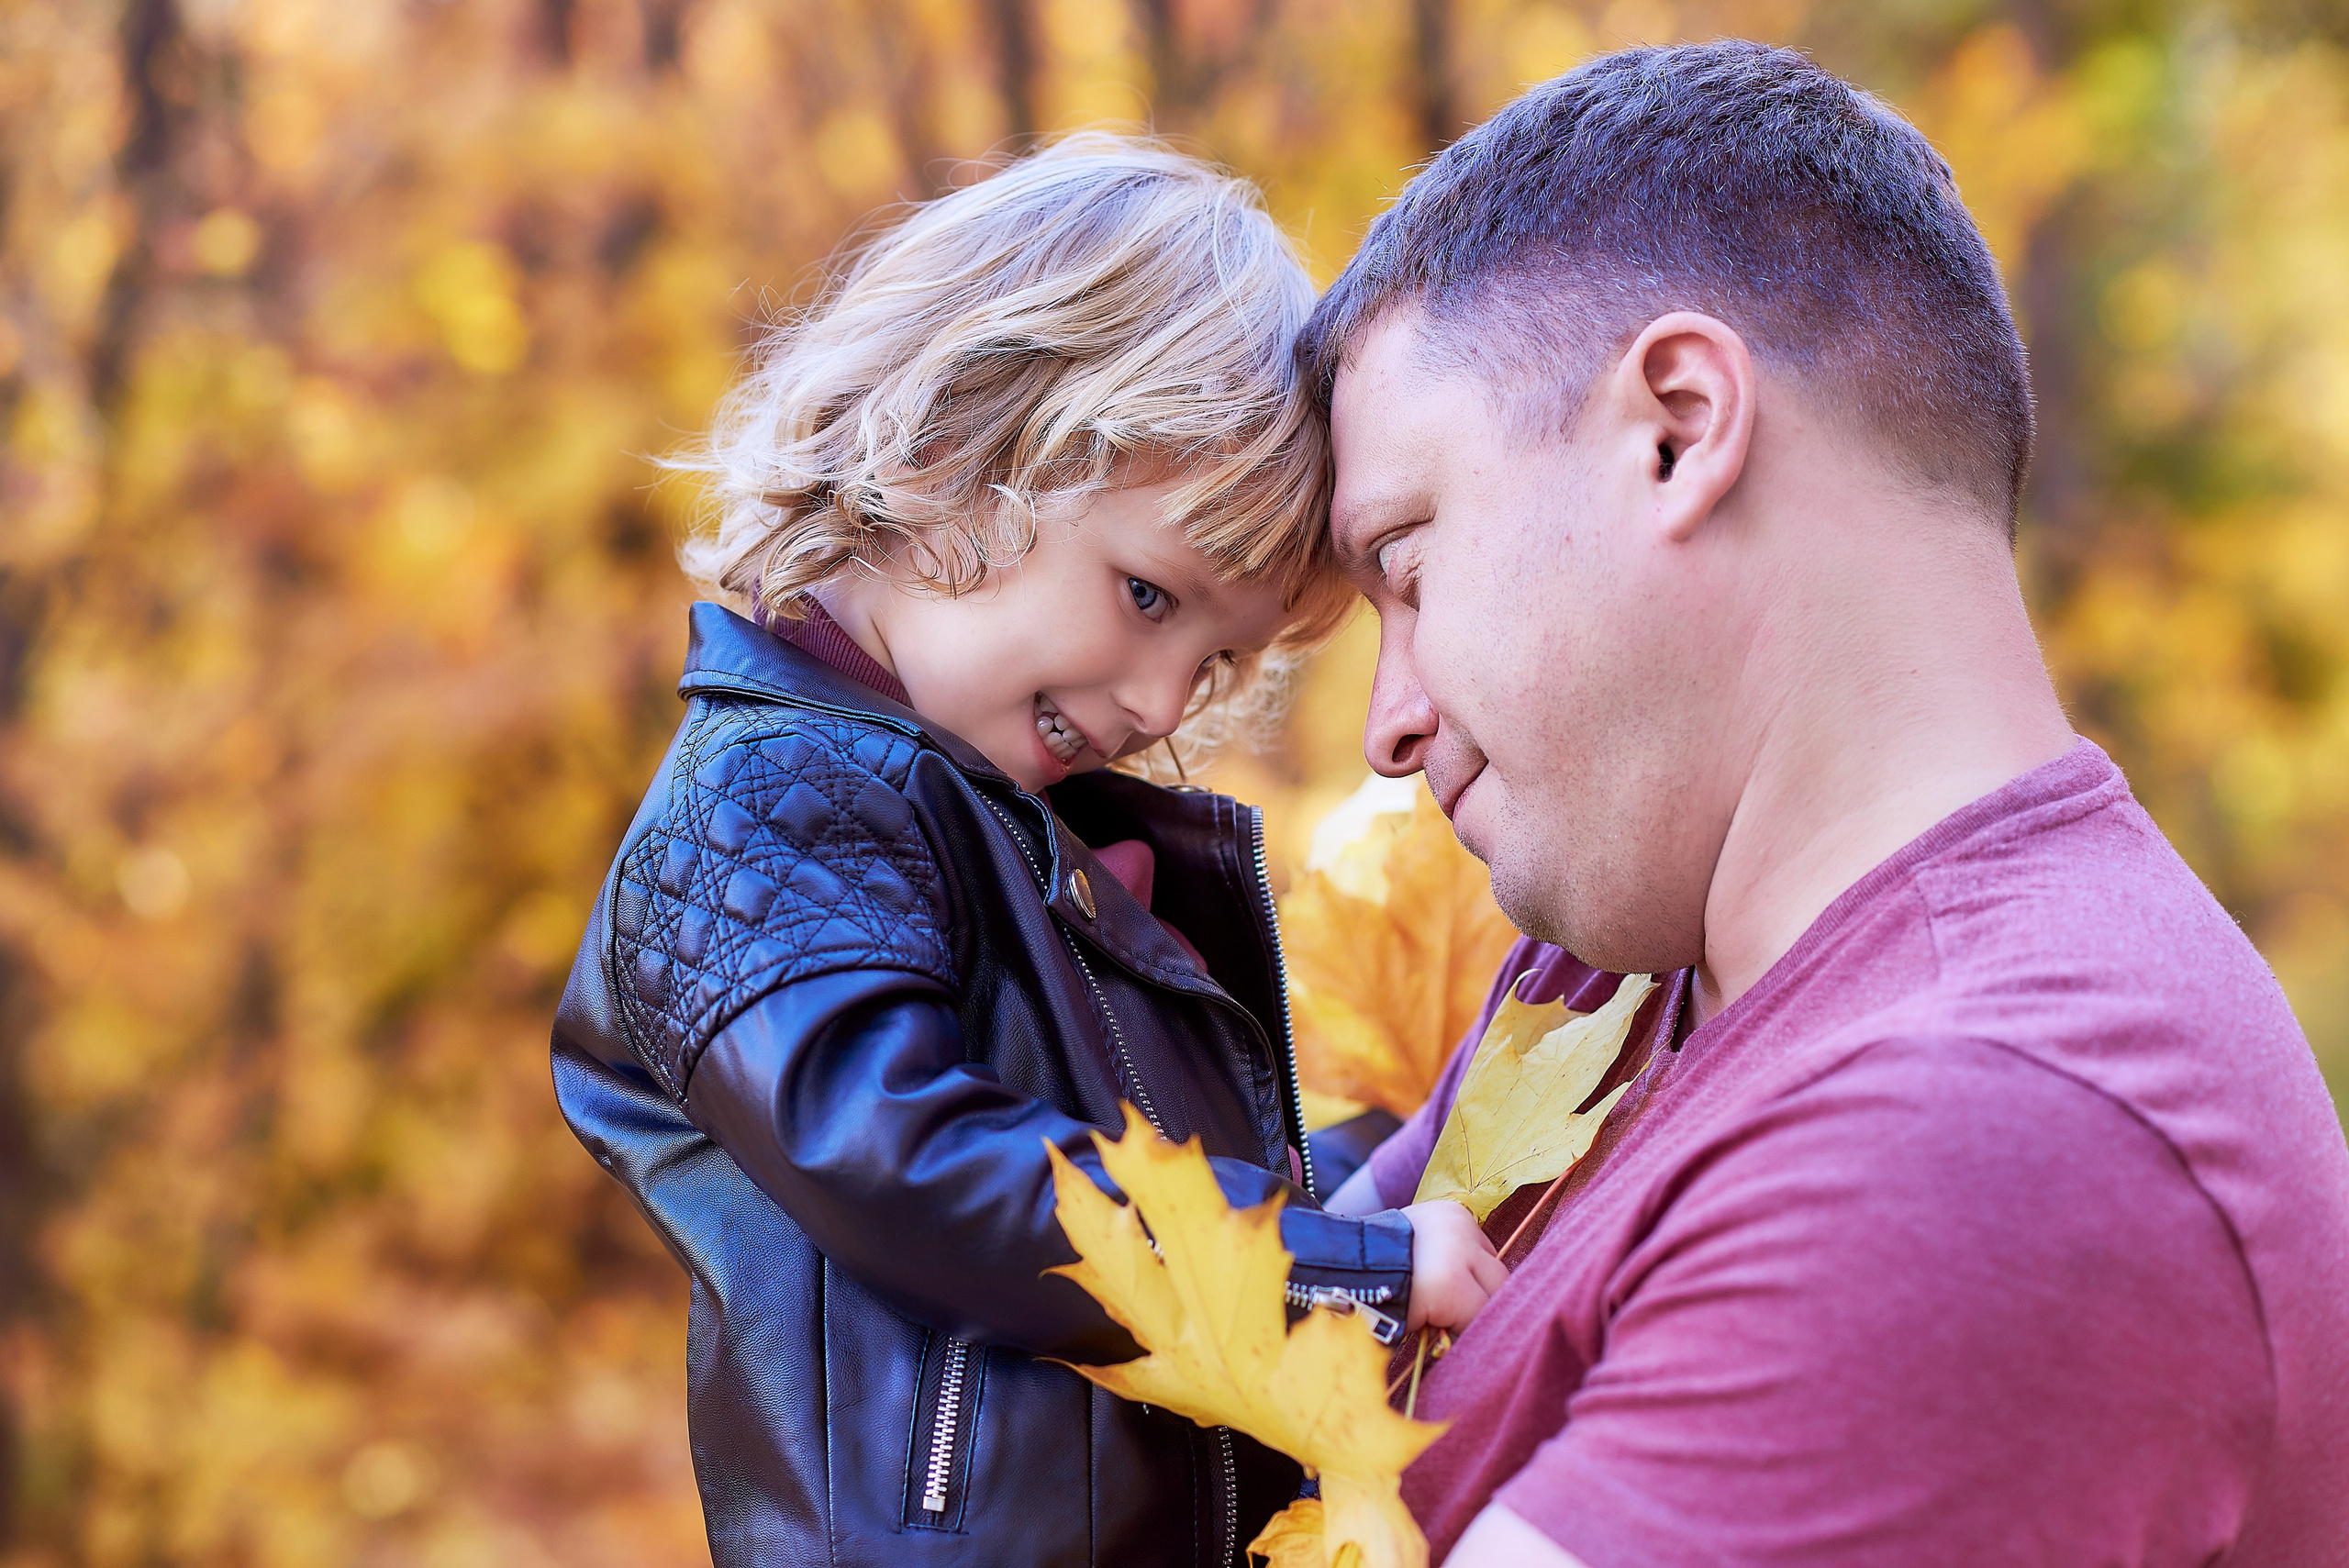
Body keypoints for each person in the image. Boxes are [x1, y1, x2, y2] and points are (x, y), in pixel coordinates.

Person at [1312, 40, 2349, 1568]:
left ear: (1676, 426)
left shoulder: (1991, 1131)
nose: (1386, 723)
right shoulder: (1616, 972)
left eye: (1406, 570)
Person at [549, 136, 1505, 1568]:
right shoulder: (760, 806)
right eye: (1145, 594)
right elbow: (918, 1166)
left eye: (1221, 654)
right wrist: (1334, 1277)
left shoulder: (1040, 850)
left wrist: (1365, 1176)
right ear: (954, 442)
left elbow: (1171, 1178)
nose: (1164, 701)